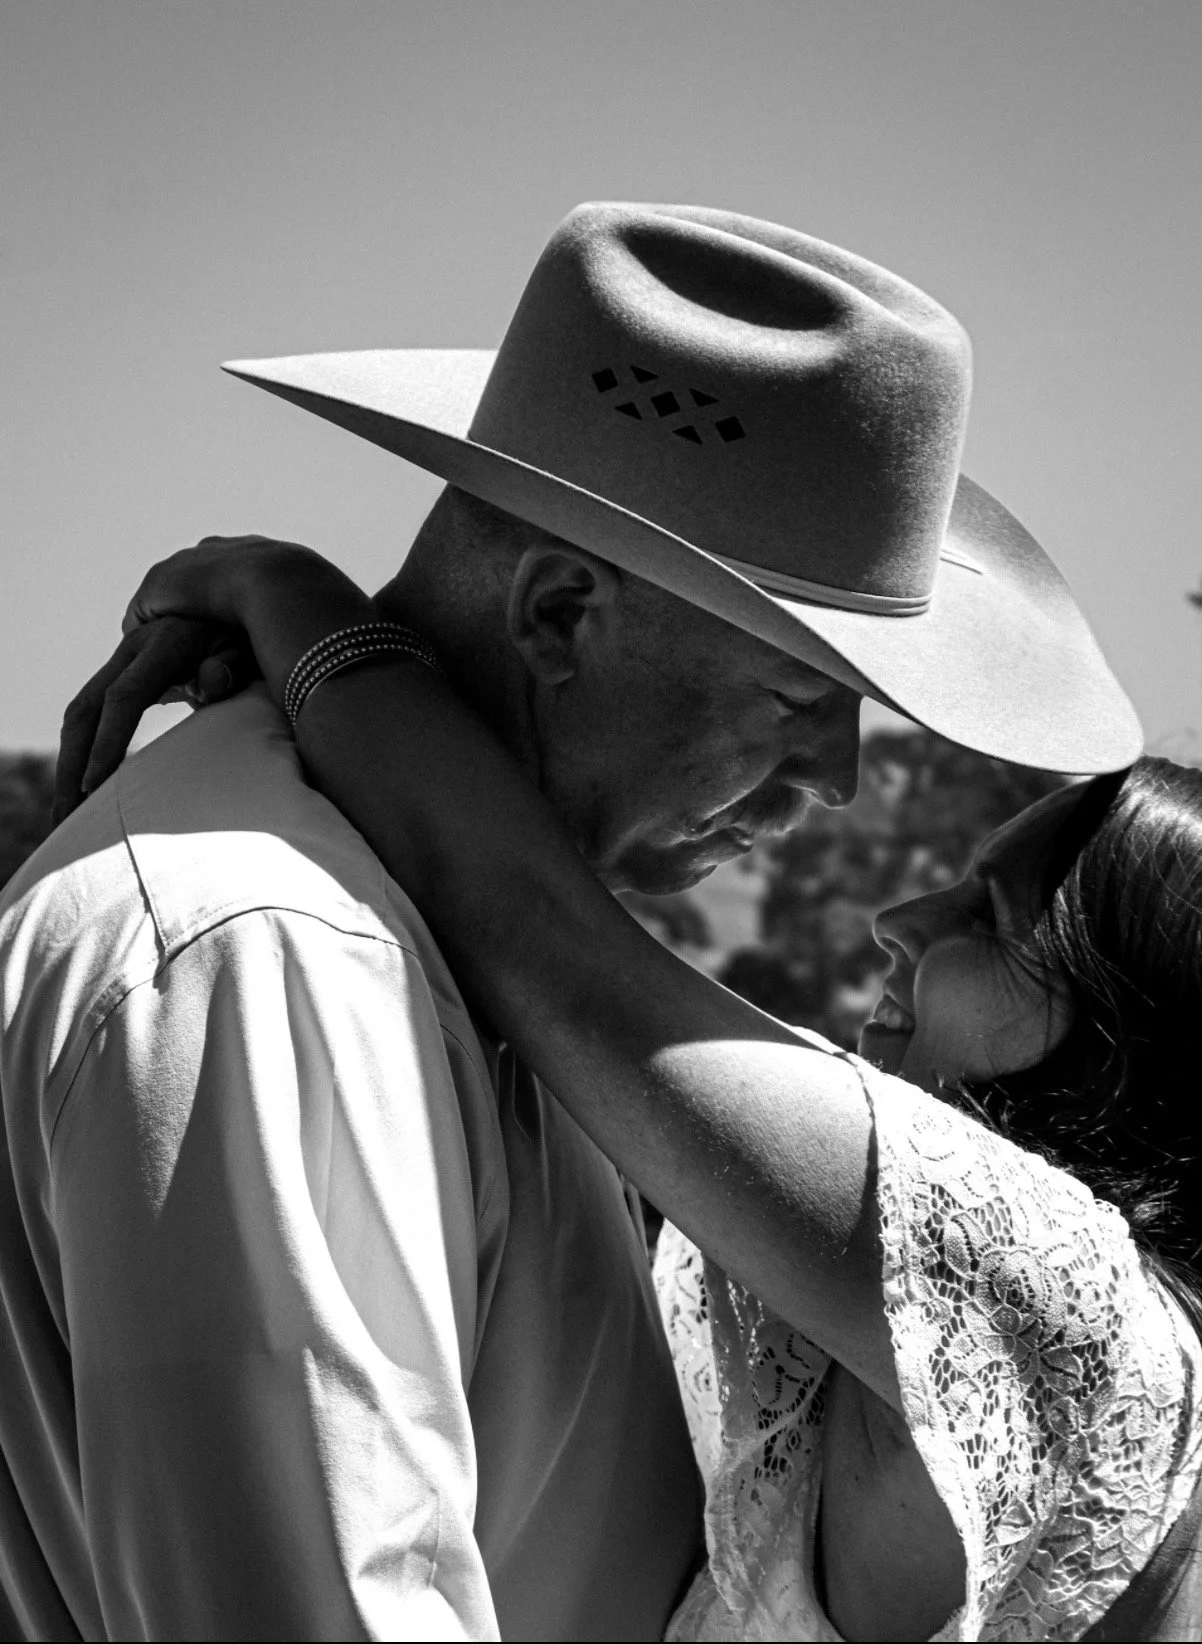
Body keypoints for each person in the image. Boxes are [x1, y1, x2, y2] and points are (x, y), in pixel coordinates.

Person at [1, 203, 1138, 1640]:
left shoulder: (500, 952)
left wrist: (296, 599)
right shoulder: (279, 960)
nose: (842, 784)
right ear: (554, 617)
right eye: (801, 699)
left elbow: (535, 929)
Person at [66, 539, 1202, 1642]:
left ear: (1118, 1041)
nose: (902, 922)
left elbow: (533, 926)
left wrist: (292, 593)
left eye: (988, 922)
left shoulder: (1056, 1288)